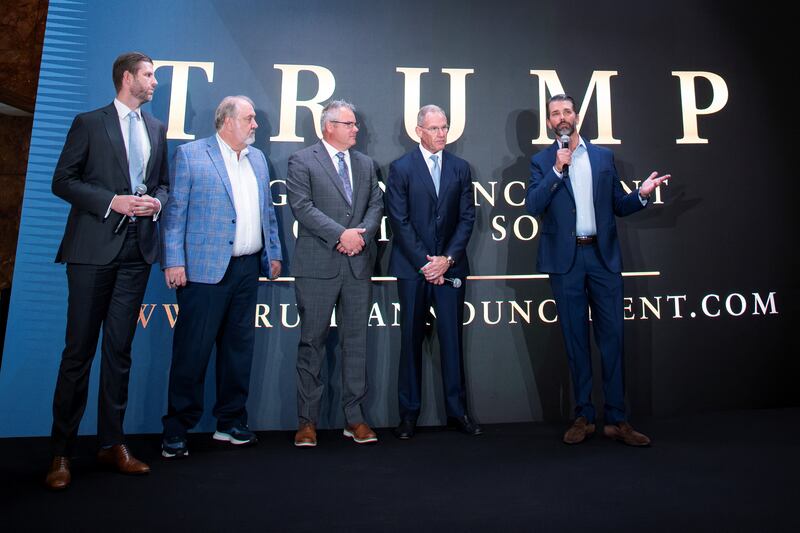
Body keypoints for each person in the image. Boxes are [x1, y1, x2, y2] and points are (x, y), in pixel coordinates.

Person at [46, 51, 169, 490]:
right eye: (148, 75)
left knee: (119, 351)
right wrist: (110, 201)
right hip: (91, 251)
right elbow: (62, 180)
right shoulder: (89, 122)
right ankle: (61, 452)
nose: (154, 82)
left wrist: (156, 203)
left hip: (137, 251)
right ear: (126, 78)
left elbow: (163, 184)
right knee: (78, 352)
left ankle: (112, 443)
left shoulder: (157, 128)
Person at [525, 94, 669, 446]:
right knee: (575, 341)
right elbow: (533, 205)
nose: (562, 117)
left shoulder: (603, 157)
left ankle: (617, 419)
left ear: (576, 116)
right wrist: (557, 170)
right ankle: (584, 416)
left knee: (613, 338)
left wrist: (642, 194)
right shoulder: (542, 161)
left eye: (567, 111)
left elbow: (618, 204)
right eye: (555, 113)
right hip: (566, 262)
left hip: (603, 259)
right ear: (549, 122)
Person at [160, 95, 282, 458]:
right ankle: (177, 428)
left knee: (238, 351)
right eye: (249, 118)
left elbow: (267, 213)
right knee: (192, 352)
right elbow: (175, 213)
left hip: (247, 269)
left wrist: (273, 253)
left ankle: (230, 421)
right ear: (227, 121)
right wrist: (173, 261)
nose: (255, 124)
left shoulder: (258, 159)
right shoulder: (191, 155)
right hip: (202, 271)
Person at [286, 100, 383, 447]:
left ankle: (354, 418)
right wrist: (341, 235)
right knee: (312, 343)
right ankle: (307, 422)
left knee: (355, 343)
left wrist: (360, 236)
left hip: (357, 264)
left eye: (355, 124)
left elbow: (375, 205)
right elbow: (302, 207)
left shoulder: (366, 164)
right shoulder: (302, 160)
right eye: (349, 124)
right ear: (329, 126)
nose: (356, 129)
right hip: (318, 264)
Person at [385, 105, 481, 439]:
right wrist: (428, 264)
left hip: (450, 269)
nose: (442, 134)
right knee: (410, 340)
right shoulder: (400, 169)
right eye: (435, 128)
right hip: (414, 270)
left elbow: (467, 218)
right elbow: (399, 220)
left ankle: (458, 412)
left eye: (444, 127)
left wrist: (447, 260)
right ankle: (408, 415)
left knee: (452, 341)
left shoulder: (461, 168)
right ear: (419, 131)